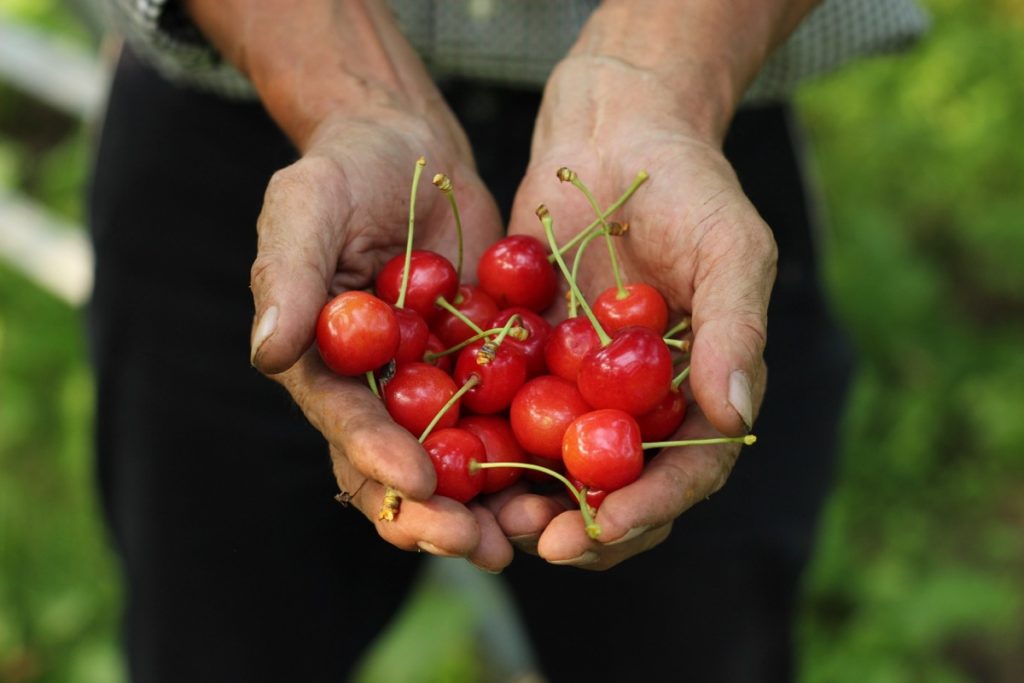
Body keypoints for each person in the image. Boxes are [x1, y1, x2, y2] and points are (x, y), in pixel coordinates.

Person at [90, 1, 926, 680]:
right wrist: (352, 97)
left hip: (688, 117)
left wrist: (658, 74)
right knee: (215, 633)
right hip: (255, 100)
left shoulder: (582, 359)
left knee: (702, 639)